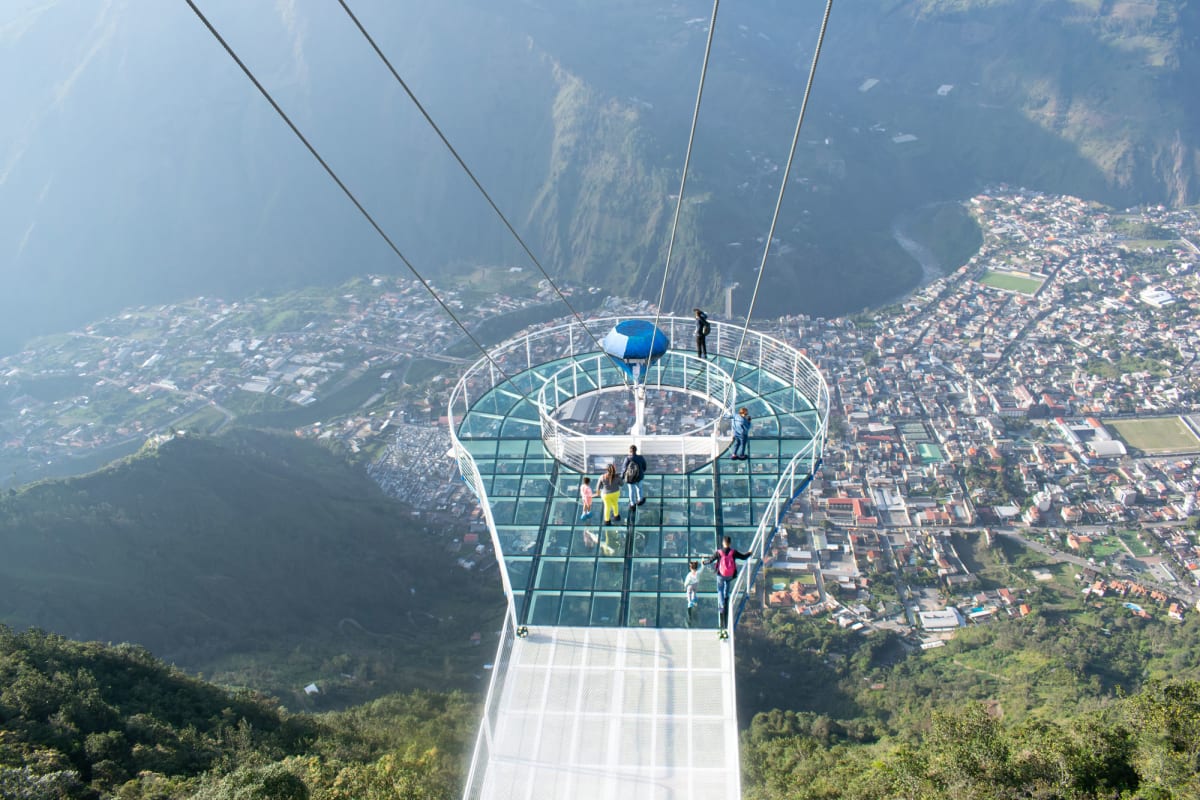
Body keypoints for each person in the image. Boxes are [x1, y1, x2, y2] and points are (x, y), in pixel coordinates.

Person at [703, 536, 750, 630]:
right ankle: (726, 598)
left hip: (721, 574)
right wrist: (749, 553)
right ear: (730, 543)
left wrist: (704, 562)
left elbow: (710, 560)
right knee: (727, 585)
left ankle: (721, 604)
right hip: (730, 574)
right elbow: (744, 557)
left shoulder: (719, 552)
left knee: (719, 589)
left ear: (723, 543)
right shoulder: (734, 552)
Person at [622, 444, 648, 512]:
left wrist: (622, 476)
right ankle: (640, 500)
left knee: (631, 490)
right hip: (639, 476)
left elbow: (624, 469)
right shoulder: (640, 457)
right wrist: (641, 472)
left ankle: (632, 504)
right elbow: (644, 467)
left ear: (630, 451)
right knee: (639, 488)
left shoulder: (627, 458)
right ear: (636, 450)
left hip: (630, 478)